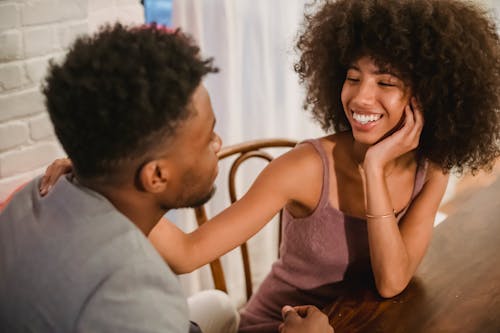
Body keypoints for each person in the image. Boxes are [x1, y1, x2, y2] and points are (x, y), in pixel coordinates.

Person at [38, 0, 500, 332]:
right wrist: (107, 178)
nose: (360, 97)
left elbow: (392, 281)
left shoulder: (433, 166)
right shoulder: (302, 168)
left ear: (430, 93)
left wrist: (374, 169)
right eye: (353, 76)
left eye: (386, 81)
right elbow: (185, 253)